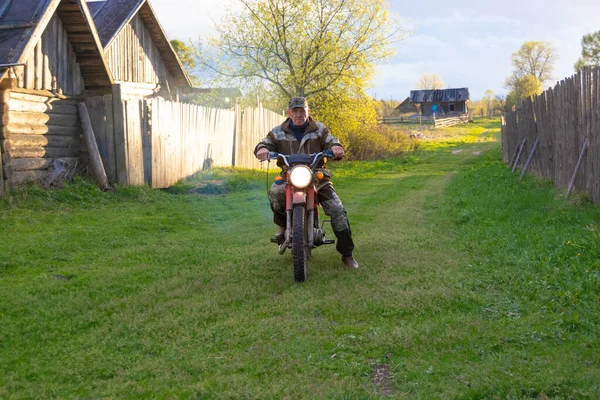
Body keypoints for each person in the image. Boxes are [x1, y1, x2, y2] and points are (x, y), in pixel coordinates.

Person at [254, 97, 358, 269]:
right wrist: (262, 149)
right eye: (295, 111)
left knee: (338, 210)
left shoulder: (319, 129)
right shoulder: (278, 131)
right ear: (289, 113)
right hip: (290, 175)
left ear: (308, 111)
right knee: (274, 192)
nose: (298, 114)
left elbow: (331, 139)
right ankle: (283, 226)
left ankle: (347, 254)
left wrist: (336, 147)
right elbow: (266, 142)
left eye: (302, 110)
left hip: (318, 176)